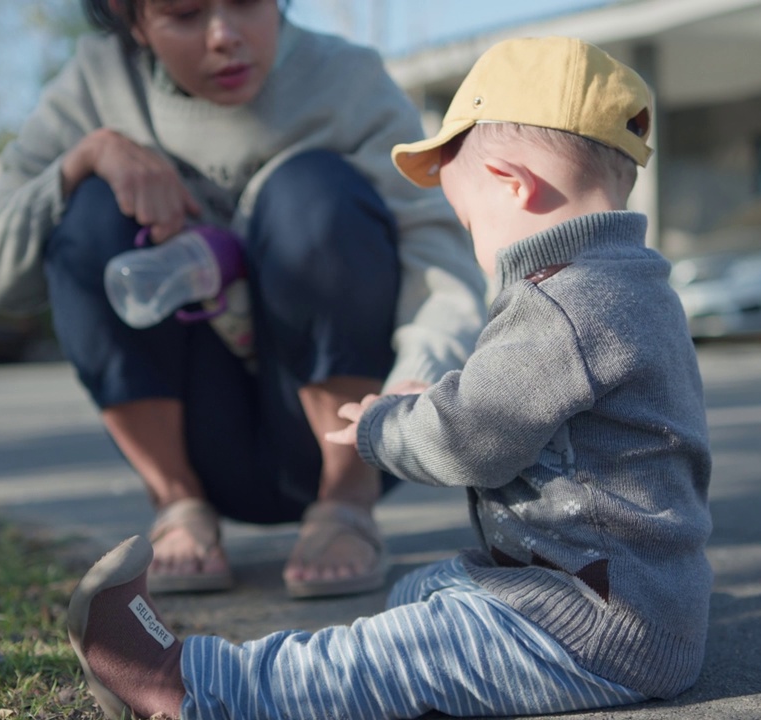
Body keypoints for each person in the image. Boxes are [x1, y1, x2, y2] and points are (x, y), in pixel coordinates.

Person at [65, 35, 714, 720]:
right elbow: (527, 403)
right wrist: (431, 398)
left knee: (382, 656)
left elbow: (473, 440)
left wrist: (382, 428)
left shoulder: (560, 301)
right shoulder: (632, 287)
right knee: (420, 591)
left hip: (585, 627)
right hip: (637, 599)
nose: (472, 240)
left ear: (512, 185)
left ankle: (186, 685)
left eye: (467, 220)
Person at [0, 0, 488, 599]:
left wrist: (417, 377)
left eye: (247, 3)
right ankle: (177, 504)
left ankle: (346, 506)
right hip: (199, 436)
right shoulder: (96, 83)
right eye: (184, 14)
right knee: (90, 205)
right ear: (135, 24)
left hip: (349, 435)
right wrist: (83, 158)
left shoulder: (347, 77)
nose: (225, 36)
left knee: (312, 189)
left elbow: (441, 258)